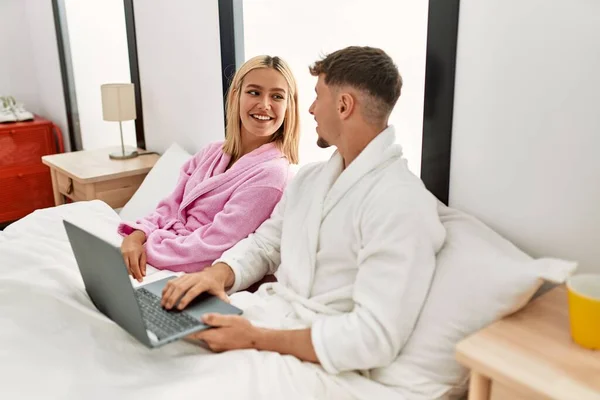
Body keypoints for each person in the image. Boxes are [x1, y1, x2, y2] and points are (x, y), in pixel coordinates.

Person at [161, 46, 446, 397]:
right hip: (263, 316)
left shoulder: (400, 202)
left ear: (343, 106)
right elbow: (266, 244)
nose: (309, 109)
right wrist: (214, 276)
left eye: (316, 96)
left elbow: (375, 337)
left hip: (314, 357)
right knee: (154, 347)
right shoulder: (311, 179)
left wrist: (254, 338)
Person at [118, 55, 300, 281]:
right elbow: (170, 207)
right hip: (163, 253)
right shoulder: (211, 152)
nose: (264, 105)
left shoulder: (272, 175)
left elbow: (216, 245)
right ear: (235, 96)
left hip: (193, 271)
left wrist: (147, 248)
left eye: (277, 96)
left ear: (288, 106)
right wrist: (137, 235)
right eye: (254, 92)